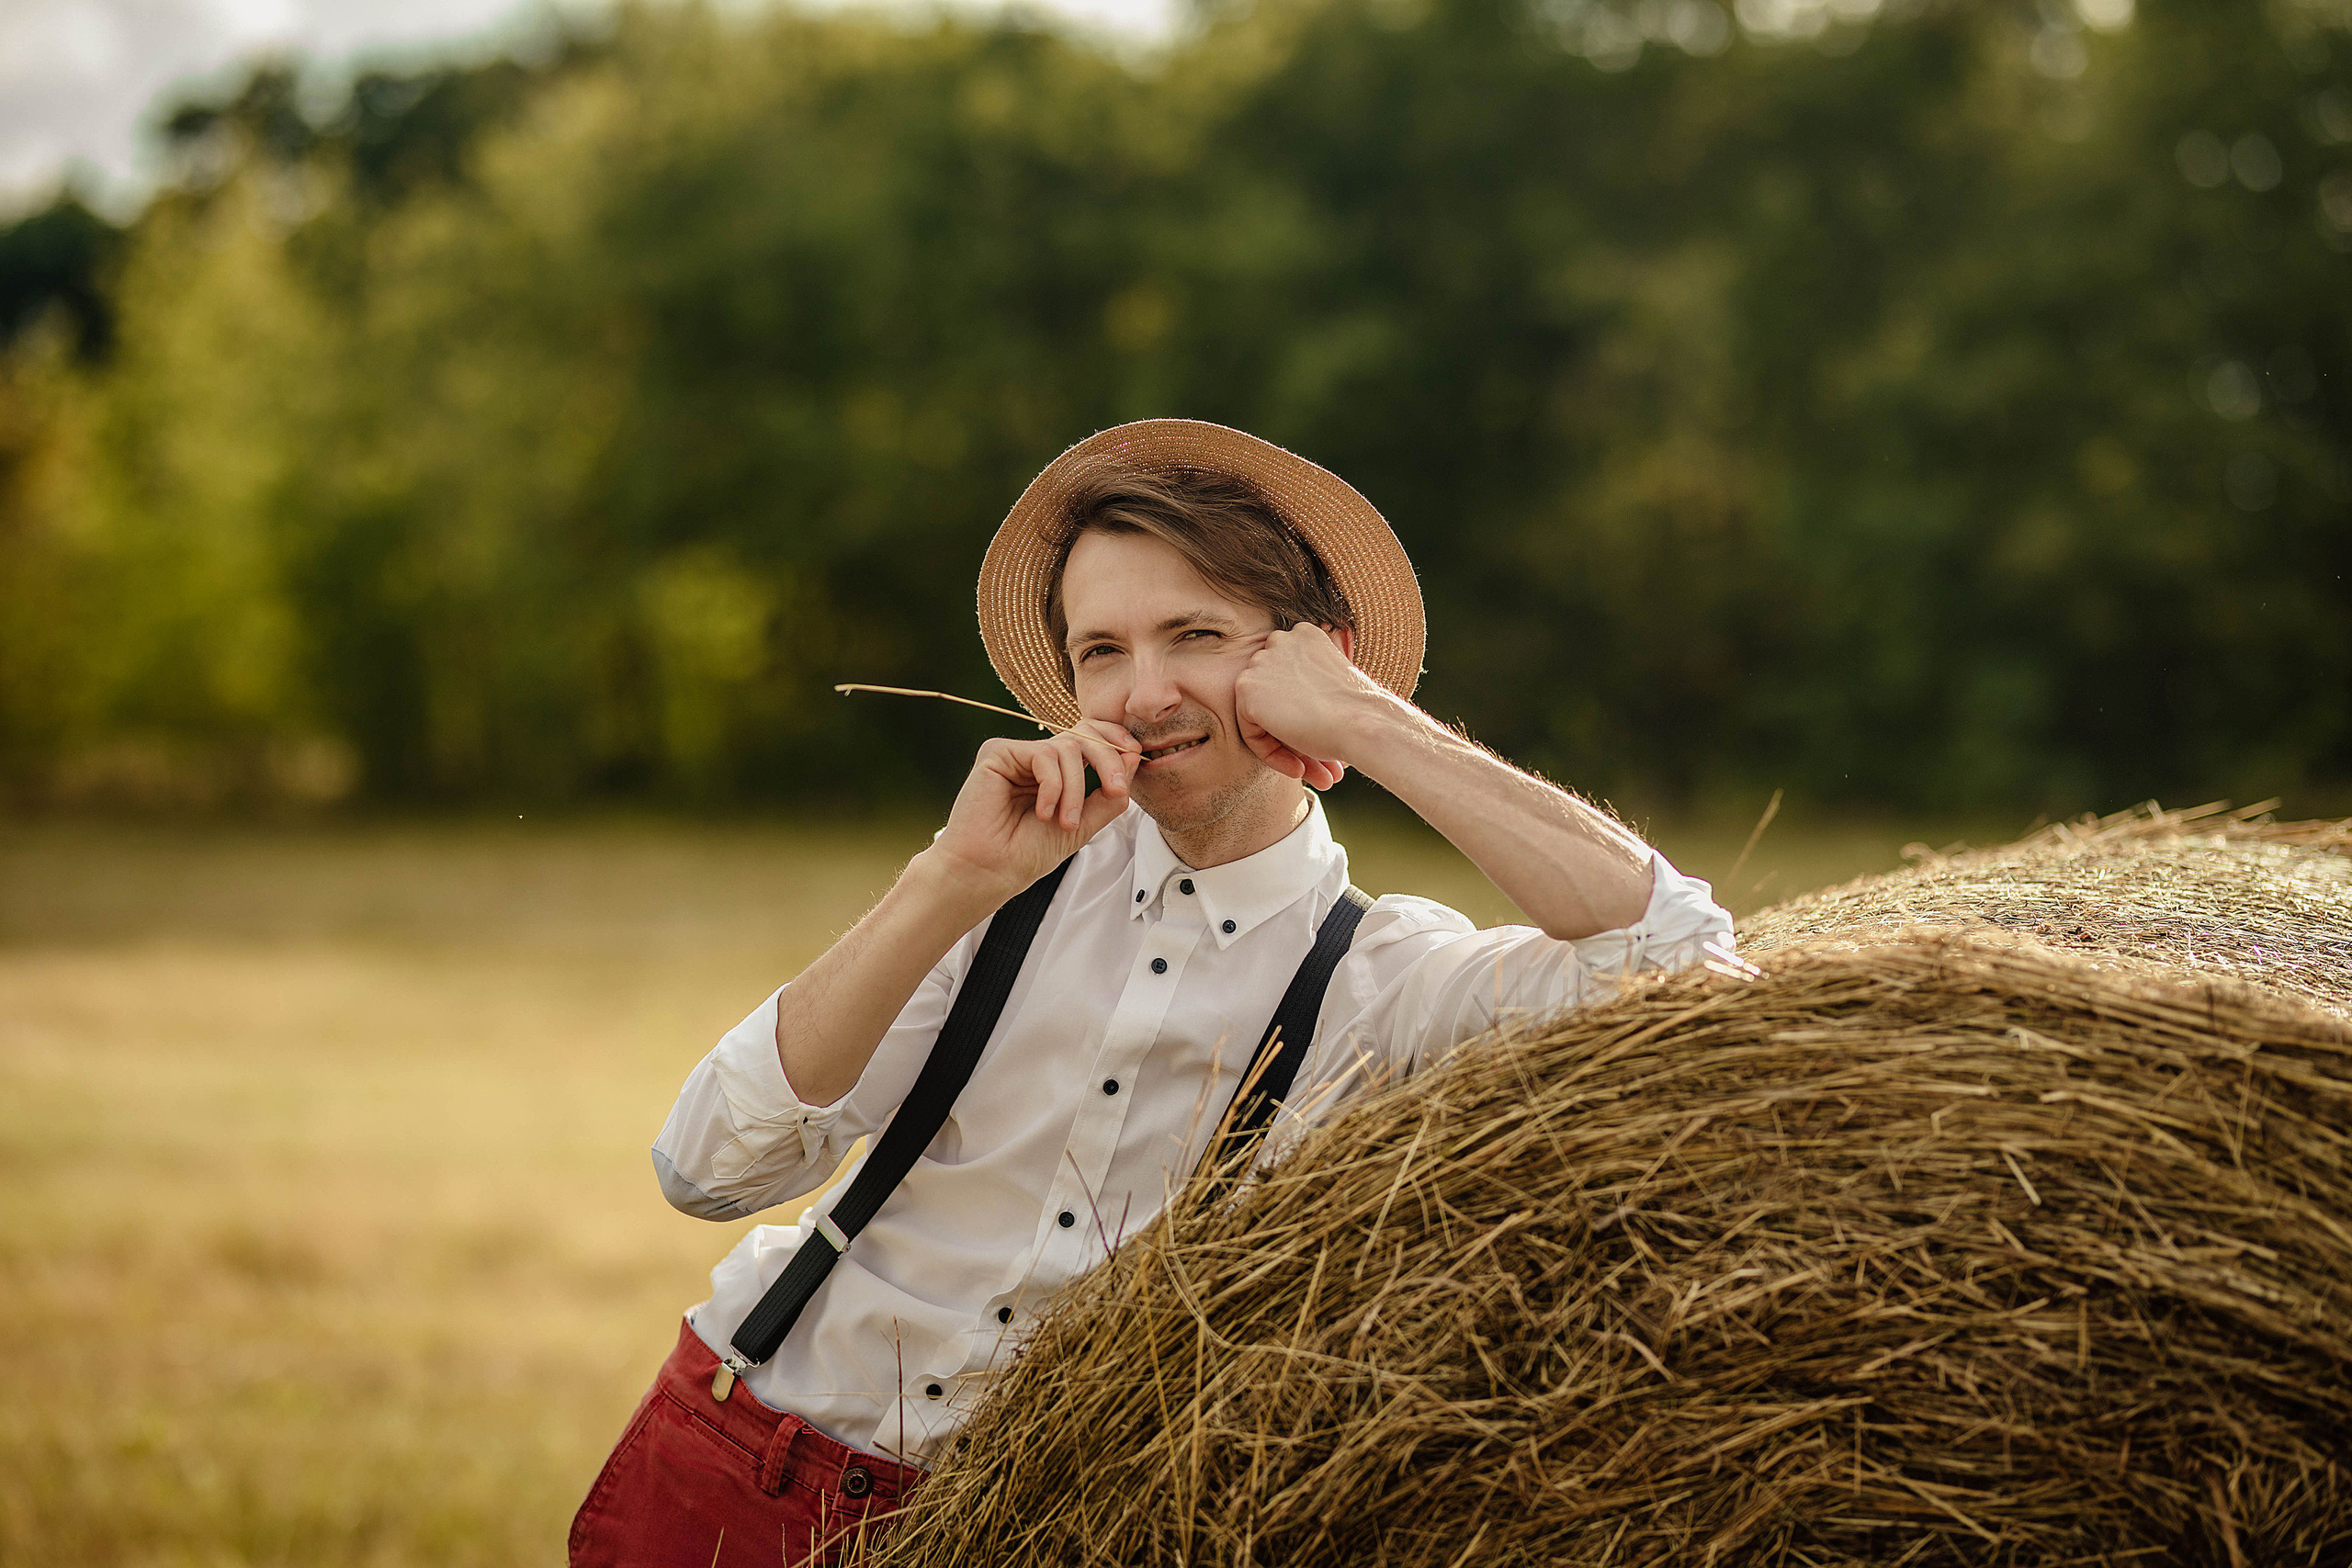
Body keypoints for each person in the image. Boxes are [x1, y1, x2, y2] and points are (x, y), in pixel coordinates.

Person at [568, 420, 1734, 1567]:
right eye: (1102, 652)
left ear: (1310, 660)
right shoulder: (992, 893)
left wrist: (1374, 725)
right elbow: (709, 1171)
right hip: (738, 1469)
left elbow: (1682, 971)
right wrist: (947, 885)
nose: (1143, 693)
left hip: (1029, 1534)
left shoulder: (1390, 981)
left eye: (1195, 636)